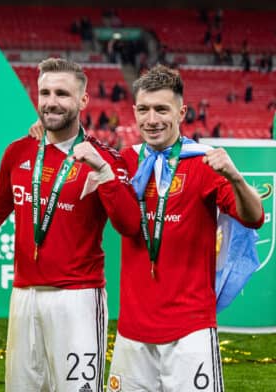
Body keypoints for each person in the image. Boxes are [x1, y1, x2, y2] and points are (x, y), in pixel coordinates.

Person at [0, 58, 140, 392]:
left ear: (82, 101)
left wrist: (105, 174)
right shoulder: (18, 152)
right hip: (24, 296)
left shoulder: (104, 157)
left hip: (78, 298)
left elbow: (129, 224)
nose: (52, 101)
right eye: (45, 92)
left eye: (62, 94)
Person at [107, 65, 263, 392]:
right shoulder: (125, 160)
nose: (152, 119)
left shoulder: (203, 162)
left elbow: (254, 217)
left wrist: (236, 177)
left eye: (162, 109)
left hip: (189, 329)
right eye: (144, 110)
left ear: (182, 111)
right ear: (134, 111)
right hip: (133, 331)